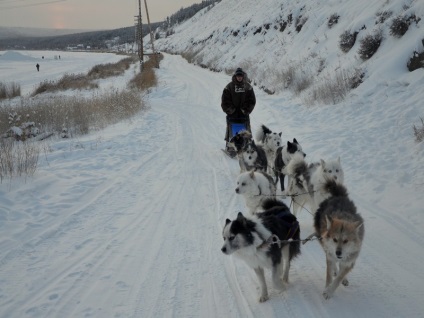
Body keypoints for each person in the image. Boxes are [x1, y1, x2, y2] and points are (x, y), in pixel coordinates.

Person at [221, 67, 256, 155]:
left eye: (241, 76)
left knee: (246, 133)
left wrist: (245, 110)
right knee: (231, 133)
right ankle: (230, 149)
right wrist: (231, 110)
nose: (239, 77)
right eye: (238, 76)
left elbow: (252, 101)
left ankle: (247, 149)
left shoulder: (248, 87)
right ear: (235, 76)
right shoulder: (228, 87)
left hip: (244, 116)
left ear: (243, 76)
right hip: (232, 116)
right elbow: (224, 101)